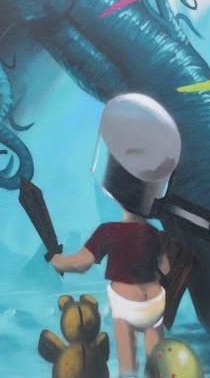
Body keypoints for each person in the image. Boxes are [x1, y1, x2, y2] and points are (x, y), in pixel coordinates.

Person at [51, 94, 175, 378]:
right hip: (154, 303)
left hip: (126, 305)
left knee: (127, 356)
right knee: (156, 355)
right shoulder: (155, 234)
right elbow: (166, 268)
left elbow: (82, 262)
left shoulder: (108, 232)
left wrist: (60, 261)